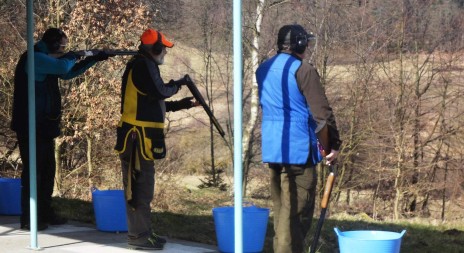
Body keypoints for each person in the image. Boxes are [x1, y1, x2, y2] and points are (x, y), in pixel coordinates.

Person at [11, 28, 113, 231]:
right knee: (34, 173)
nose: (65, 49)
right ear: (53, 45)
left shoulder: (46, 58)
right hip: (30, 125)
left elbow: (68, 73)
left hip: (44, 125)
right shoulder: (35, 58)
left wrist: (94, 59)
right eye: (63, 46)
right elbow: (63, 67)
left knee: (48, 170)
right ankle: (29, 217)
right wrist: (74, 56)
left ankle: (45, 212)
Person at [256, 24, 342, 253]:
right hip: (298, 151)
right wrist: (333, 146)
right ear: (300, 44)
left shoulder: (263, 69)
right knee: (296, 215)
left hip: (273, 148)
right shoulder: (303, 70)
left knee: (282, 210)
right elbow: (322, 113)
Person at [114, 28, 198, 250]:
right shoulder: (143, 65)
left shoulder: (143, 65)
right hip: (137, 141)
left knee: (144, 189)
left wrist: (185, 103)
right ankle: (139, 237)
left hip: (141, 141)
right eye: (164, 49)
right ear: (156, 48)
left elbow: (157, 103)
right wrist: (178, 84)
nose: (166, 53)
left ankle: (144, 233)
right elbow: (161, 92)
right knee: (138, 190)